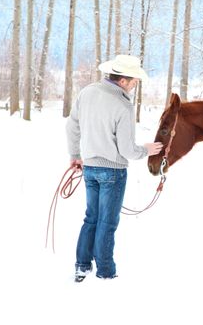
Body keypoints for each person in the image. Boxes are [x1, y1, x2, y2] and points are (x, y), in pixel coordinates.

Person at [66, 54, 163, 282]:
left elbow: (72, 126)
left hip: (89, 167)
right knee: (107, 222)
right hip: (113, 172)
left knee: (91, 218)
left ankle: (82, 265)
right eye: (134, 81)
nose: (135, 85)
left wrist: (75, 155)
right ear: (123, 80)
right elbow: (128, 150)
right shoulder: (122, 105)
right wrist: (147, 150)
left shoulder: (87, 92)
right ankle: (106, 272)